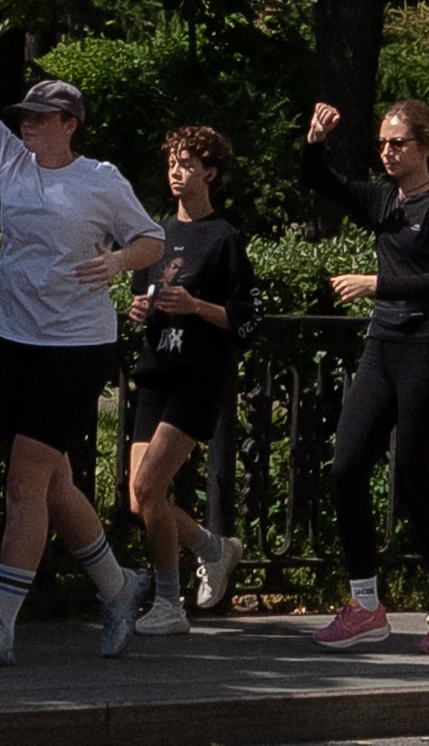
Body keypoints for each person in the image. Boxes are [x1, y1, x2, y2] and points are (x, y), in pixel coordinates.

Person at [0, 0, 163, 666]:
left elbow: (152, 240)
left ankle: (1, 626)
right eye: (26, 117)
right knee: (54, 482)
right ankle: (118, 586)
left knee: (23, 481)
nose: (27, 125)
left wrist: (118, 263)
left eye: (40, 117)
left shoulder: (101, 180)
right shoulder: (11, 163)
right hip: (18, 341)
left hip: (76, 346)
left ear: (70, 124)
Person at [304, 94, 429, 653]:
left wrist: (374, 284)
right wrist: (316, 142)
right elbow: (321, 181)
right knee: (346, 469)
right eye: (381, 144)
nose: (388, 152)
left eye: (398, 143)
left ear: (425, 146)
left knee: (414, 482)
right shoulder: (383, 199)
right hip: (382, 348)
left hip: (426, 350)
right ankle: (365, 605)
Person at [128, 125, 255, 633]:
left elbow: (246, 320)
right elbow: (143, 293)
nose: (177, 173)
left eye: (187, 165)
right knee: (139, 498)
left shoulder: (224, 239)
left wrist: (197, 306)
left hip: (197, 377)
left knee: (149, 485)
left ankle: (169, 603)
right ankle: (213, 548)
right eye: (172, 164)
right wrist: (139, 308)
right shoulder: (155, 234)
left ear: (210, 173)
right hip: (156, 370)